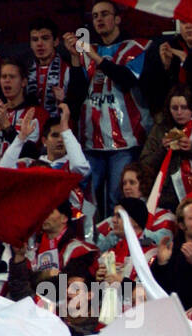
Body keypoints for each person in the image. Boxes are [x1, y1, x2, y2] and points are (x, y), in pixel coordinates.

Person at [63, 0, 151, 220]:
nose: (99, 20)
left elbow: (126, 79)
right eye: (94, 16)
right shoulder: (85, 53)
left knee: (117, 196)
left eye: (104, 14)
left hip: (125, 142)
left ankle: (120, 246)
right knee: (86, 198)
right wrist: (75, 57)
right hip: (91, 141)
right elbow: (76, 94)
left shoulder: (136, 47)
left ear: (118, 18)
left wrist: (92, 56)